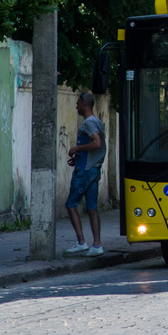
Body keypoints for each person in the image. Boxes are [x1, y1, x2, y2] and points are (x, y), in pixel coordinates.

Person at [65, 92, 106, 257]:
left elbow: (97, 143)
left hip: (85, 171)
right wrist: (79, 158)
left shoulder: (88, 123)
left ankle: (81, 242)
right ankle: (97, 245)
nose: (76, 106)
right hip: (93, 169)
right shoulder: (96, 121)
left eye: (77, 103)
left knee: (70, 204)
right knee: (92, 208)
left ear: (84, 104)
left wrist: (77, 149)